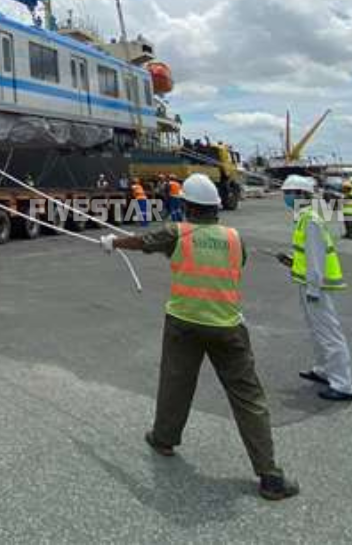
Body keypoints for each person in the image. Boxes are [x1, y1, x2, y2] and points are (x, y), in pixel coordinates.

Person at [101, 173, 299, 501]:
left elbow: (144, 242)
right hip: (227, 325)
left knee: (175, 383)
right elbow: (238, 265)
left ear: (187, 206)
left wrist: (113, 242)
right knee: (248, 398)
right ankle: (270, 475)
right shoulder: (235, 238)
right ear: (216, 207)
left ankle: (164, 439)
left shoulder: (177, 232)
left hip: (184, 323)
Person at [275, 176, 352, 401]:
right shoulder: (304, 217)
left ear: (301, 195)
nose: (286, 197)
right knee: (317, 330)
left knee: (328, 333)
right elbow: (307, 256)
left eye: (289, 193)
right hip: (308, 283)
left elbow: (316, 259)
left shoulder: (310, 220)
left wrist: (313, 288)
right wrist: (292, 261)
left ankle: (342, 384)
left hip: (316, 286)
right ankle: (323, 370)